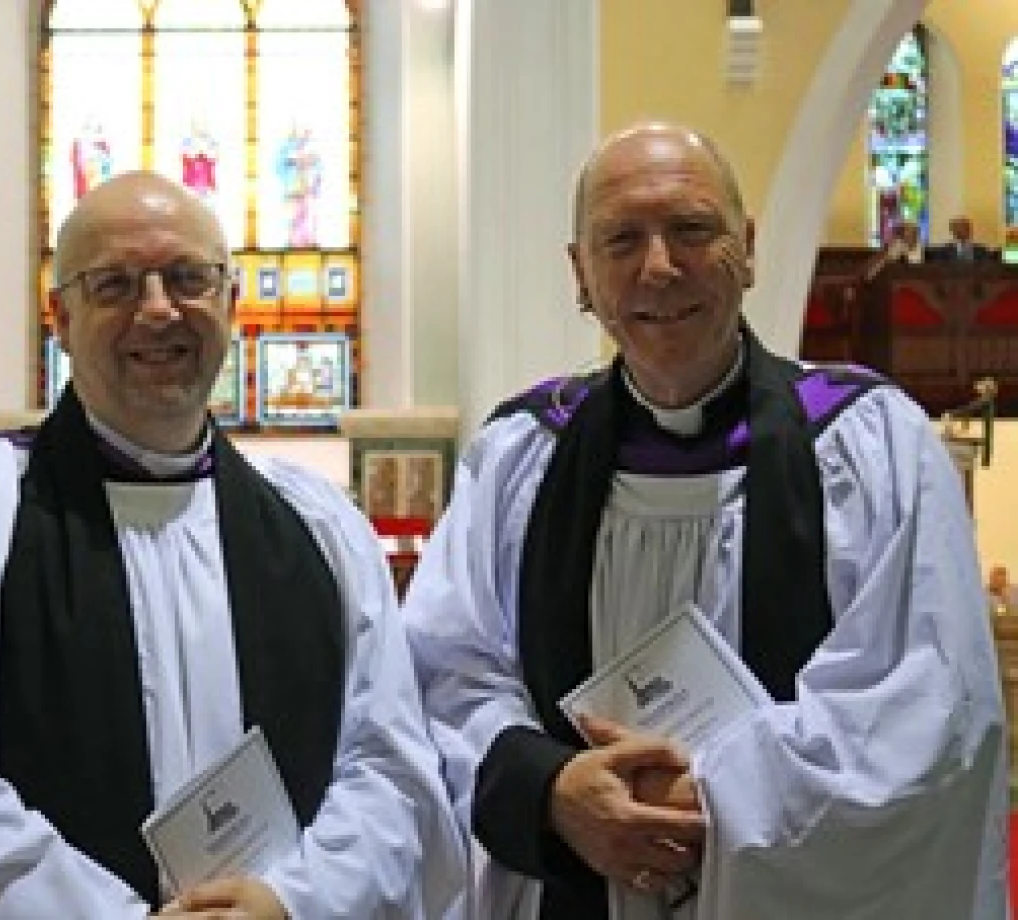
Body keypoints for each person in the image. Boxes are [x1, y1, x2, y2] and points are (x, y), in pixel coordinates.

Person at [0, 171, 466, 919]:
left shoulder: (320, 527)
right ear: (59, 319)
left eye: (187, 278)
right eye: (113, 285)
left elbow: (387, 766)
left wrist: (290, 900)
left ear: (231, 303)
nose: (158, 309)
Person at [402, 122, 1009, 919]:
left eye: (691, 229)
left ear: (747, 248)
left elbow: (927, 704)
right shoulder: (520, 458)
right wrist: (549, 789)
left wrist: (715, 796)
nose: (658, 267)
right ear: (579, 273)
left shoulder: (873, 445)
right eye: (620, 240)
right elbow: (443, 672)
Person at [925, 215, 999, 262]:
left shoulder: (982, 250)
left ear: (970, 230)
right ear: (953, 231)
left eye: (966, 228)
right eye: (959, 228)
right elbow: (939, 271)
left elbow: (988, 270)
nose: (962, 231)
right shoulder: (943, 252)